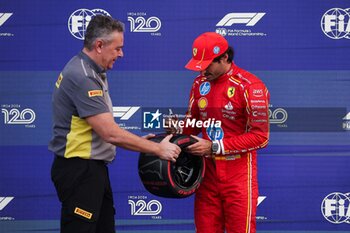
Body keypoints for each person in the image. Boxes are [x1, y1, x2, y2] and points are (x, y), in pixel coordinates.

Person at [48, 15, 181, 233]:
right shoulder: (83, 76)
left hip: (92, 170)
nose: (121, 54)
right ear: (99, 45)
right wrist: (158, 149)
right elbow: (110, 133)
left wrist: (140, 141)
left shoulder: (91, 69)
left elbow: (104, 127)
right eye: (117, 48)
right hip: (80, 170)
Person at [179, 32, 270, 233]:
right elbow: (191, 126)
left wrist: (214, 146)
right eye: (199, 65)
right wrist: (177, 130)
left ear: (225, 58)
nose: (202, 70)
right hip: (207, 175)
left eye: (207, 64)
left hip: (238, 176)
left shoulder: (250, 87)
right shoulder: (199, 84)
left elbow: (261, 137)